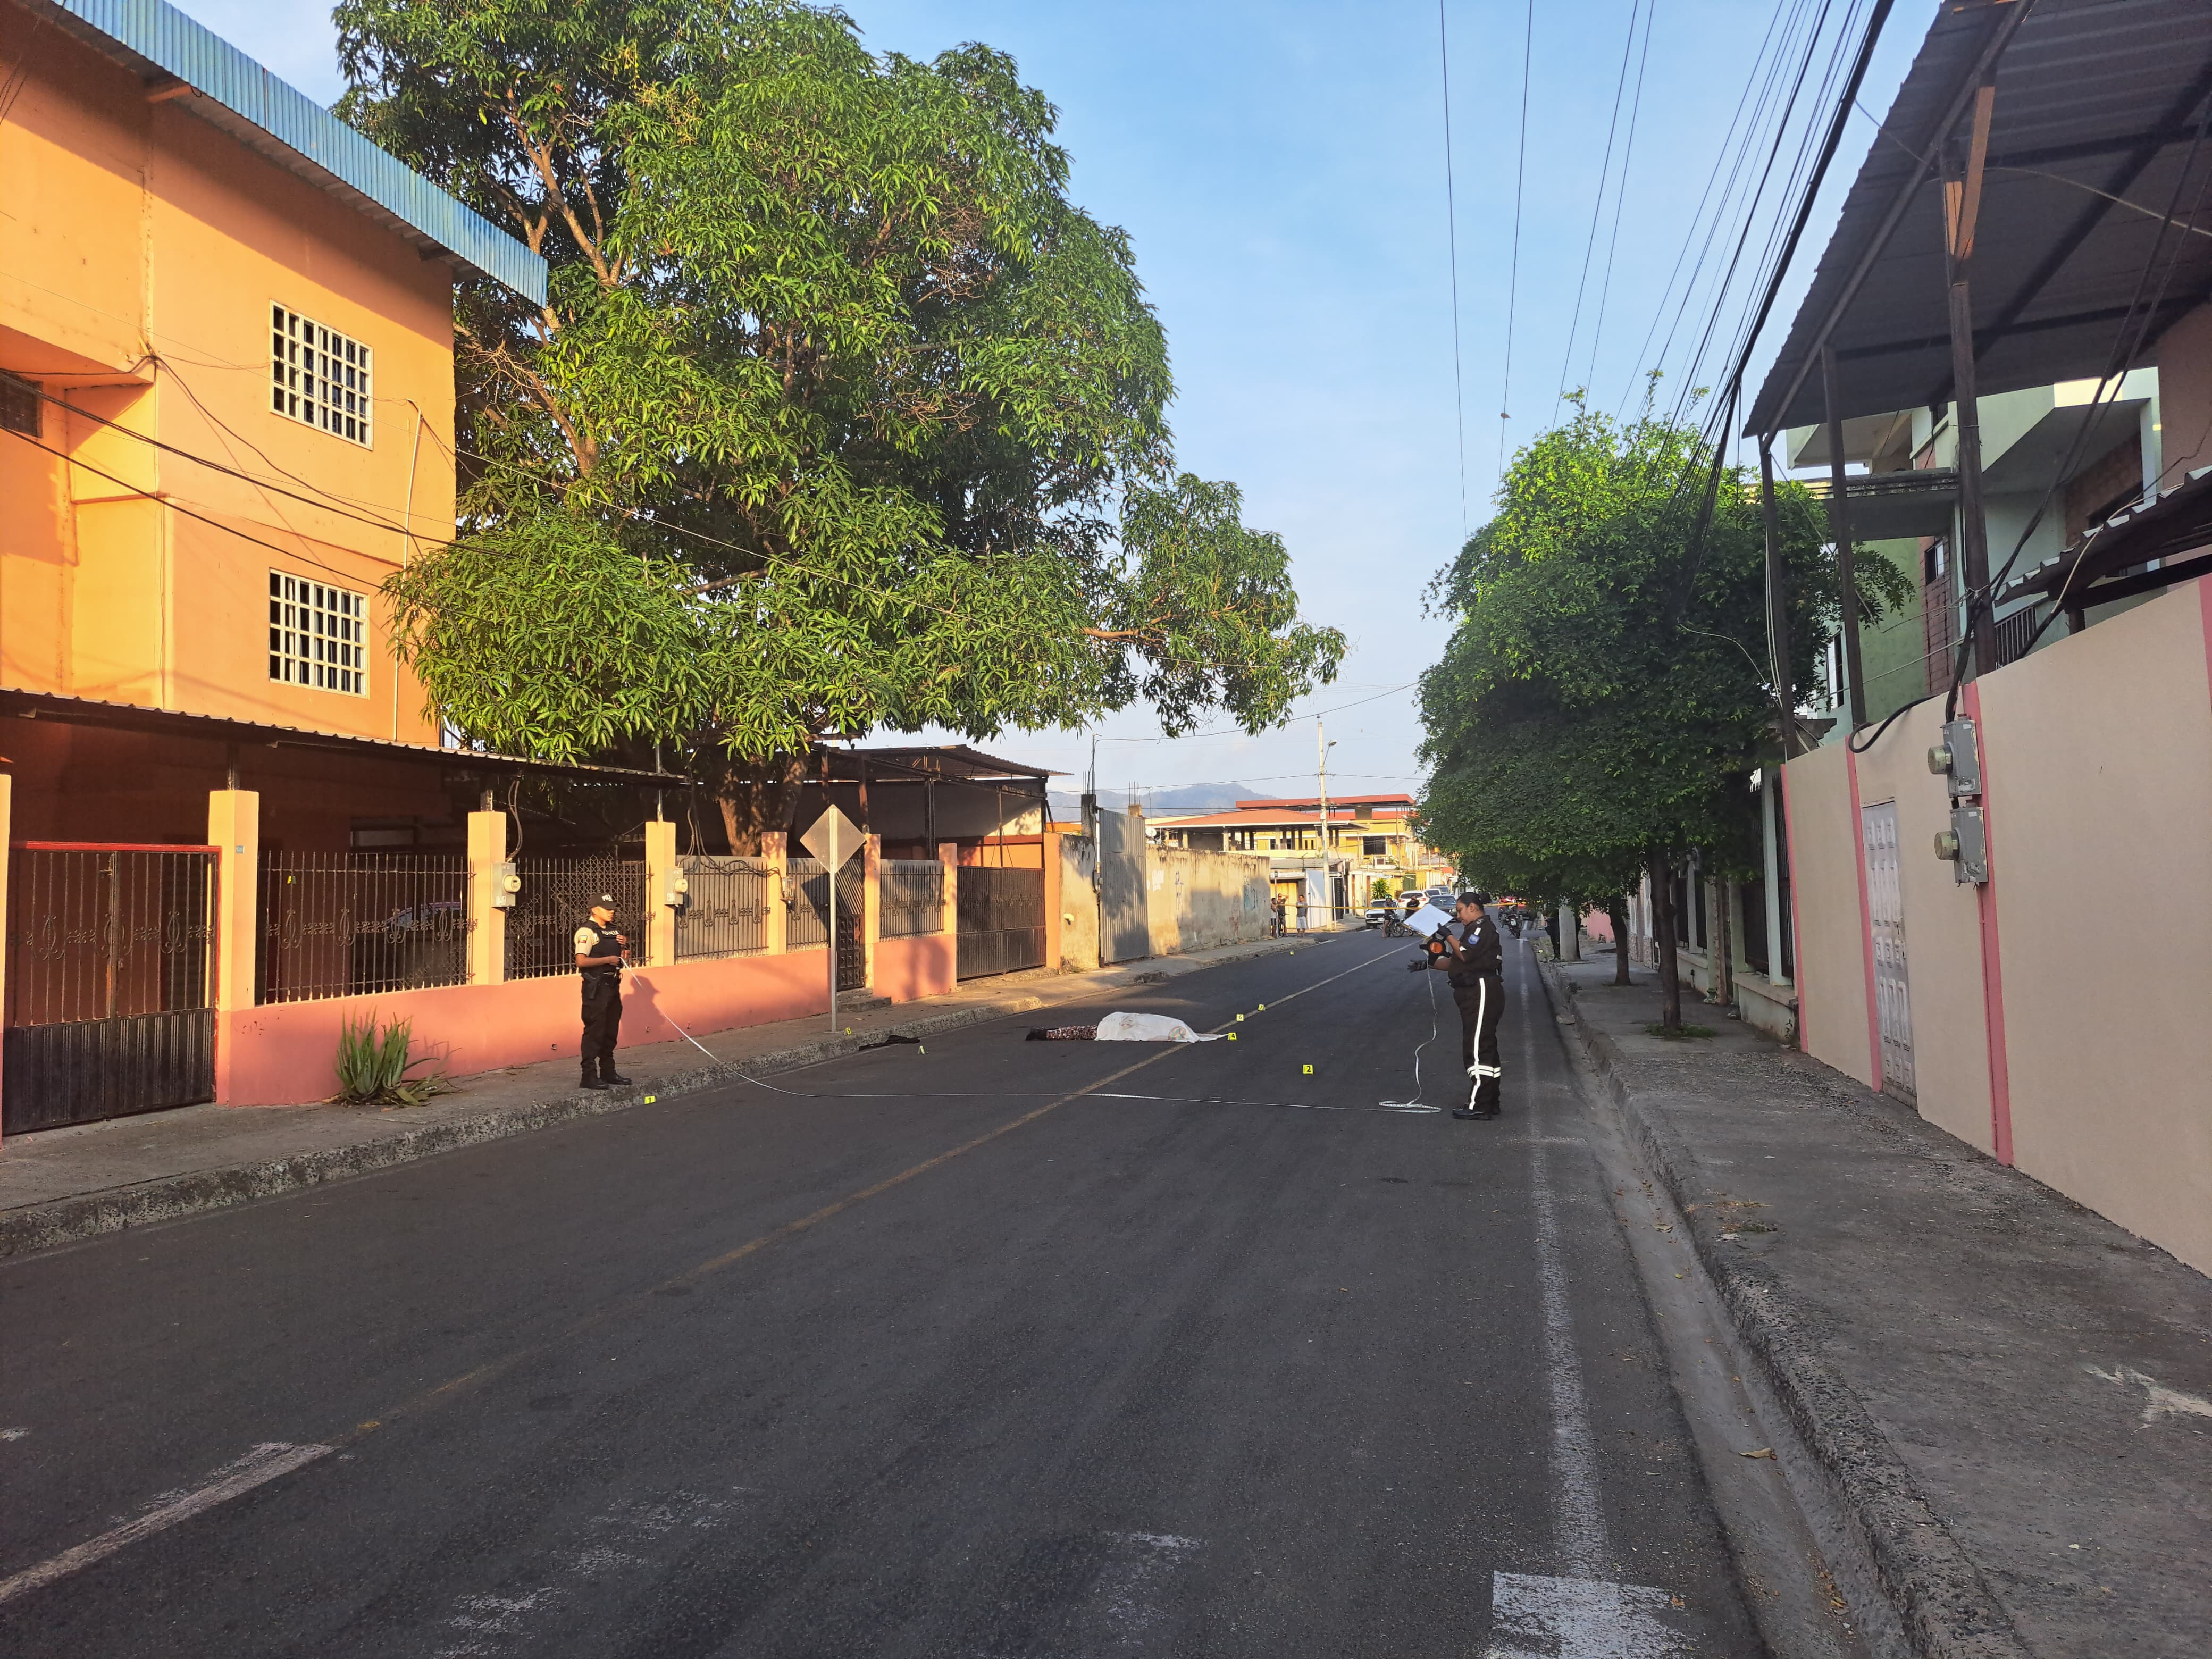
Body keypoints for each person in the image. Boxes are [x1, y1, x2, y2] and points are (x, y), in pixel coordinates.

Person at [1423, 889, 1503, 1120]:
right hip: (1475, 992)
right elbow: (1455, 963)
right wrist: (1429, 962)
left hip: (1482, 991)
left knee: (1477, 1049)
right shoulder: (1473, 929)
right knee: (1485, 1047)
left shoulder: (1480, 927)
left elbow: (1465, 955)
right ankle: (1490, 1102)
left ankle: (1478, 1106)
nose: (1458, 915)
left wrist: (1447, 935)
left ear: (1472, 907)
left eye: (1460, 910)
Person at [573, 894, 632, 1090]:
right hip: (596, 989)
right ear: (595, 910)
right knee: (594, 1032)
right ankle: (589, 1076)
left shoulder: (613, 931)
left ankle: (609, 1073)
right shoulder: (587, 932)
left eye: (613, 908)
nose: (612, 911)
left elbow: (622, 960)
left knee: (610, 1032)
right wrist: (608, 959)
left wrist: (625, 949)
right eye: (607, 908)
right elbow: (581, 961)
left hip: (613, 986)